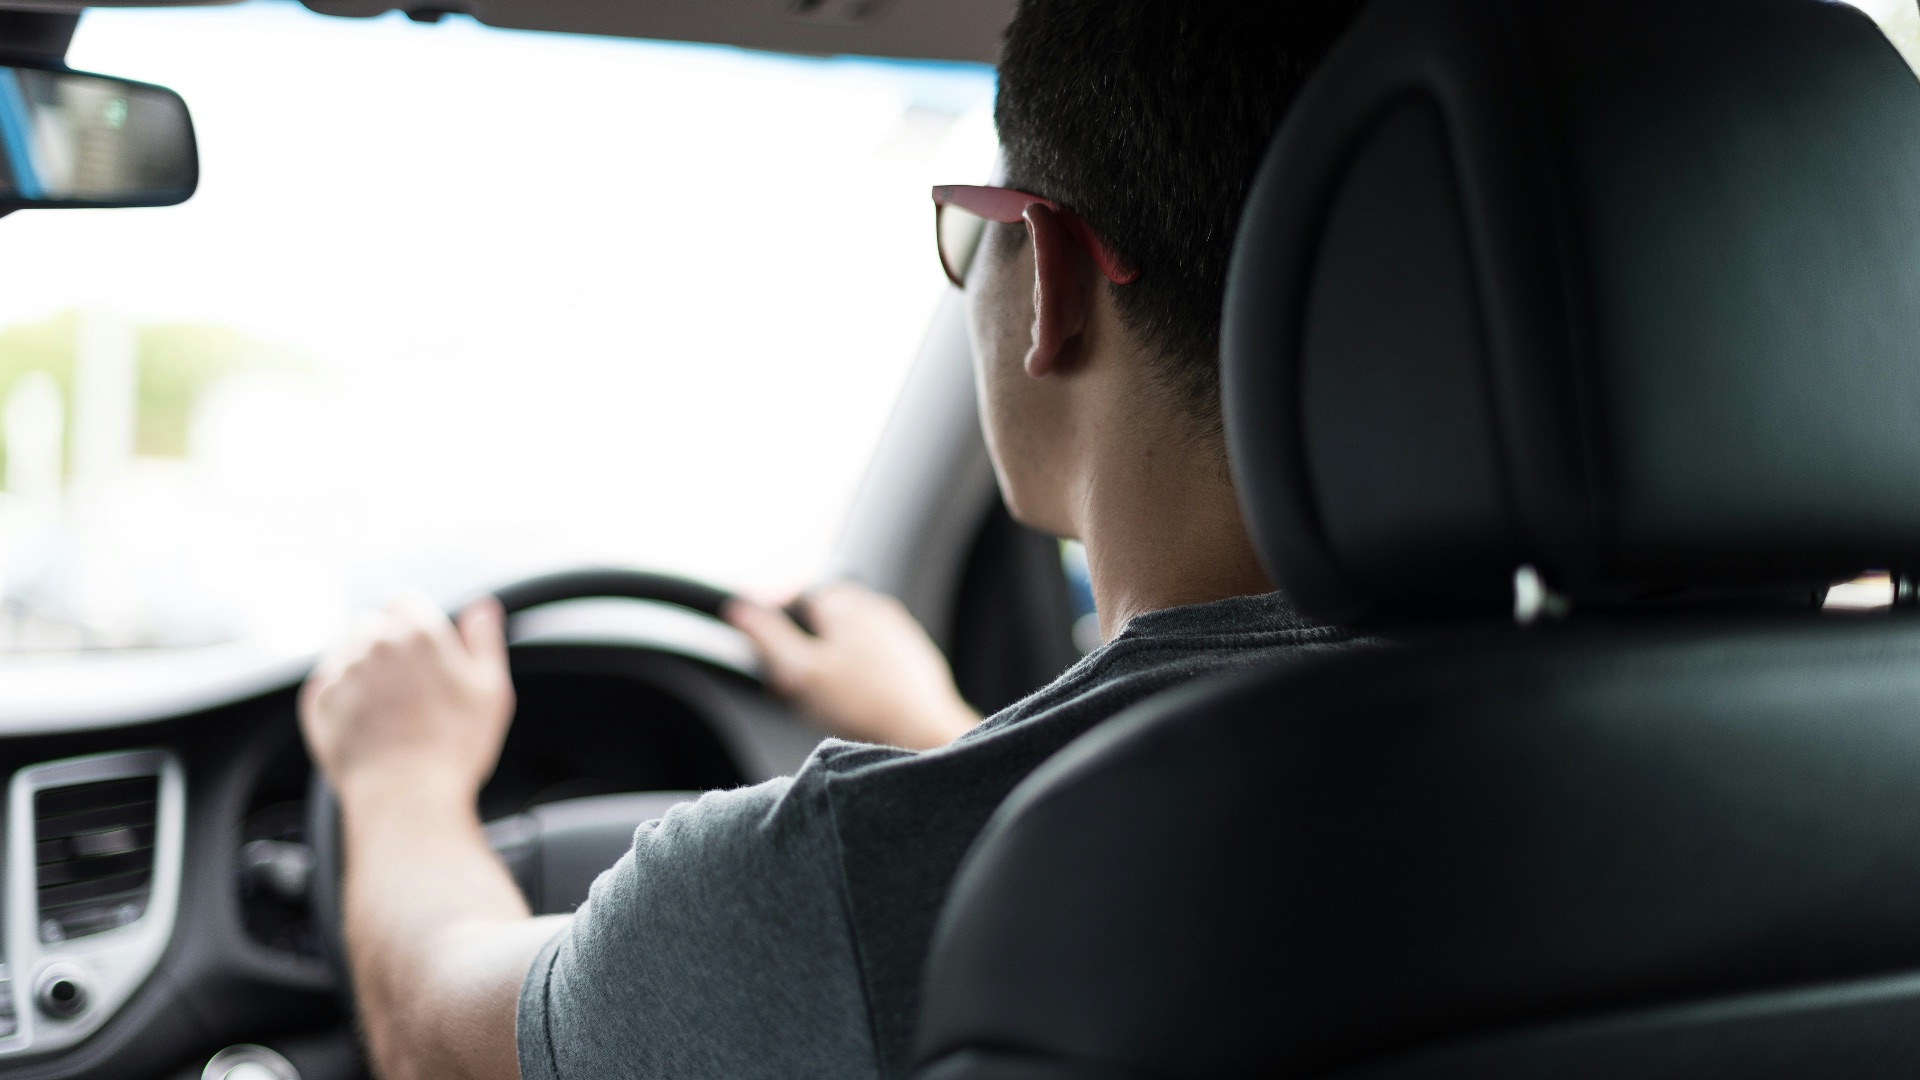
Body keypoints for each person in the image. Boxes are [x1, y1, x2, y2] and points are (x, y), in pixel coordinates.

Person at [296, 3, 1367, 1078]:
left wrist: (401, 781)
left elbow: (433, 1034)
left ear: (1050, 274)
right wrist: (938, 731)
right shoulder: (1517, 727)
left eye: (967, 225)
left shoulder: (836, 873)